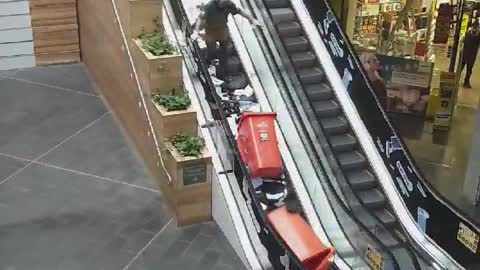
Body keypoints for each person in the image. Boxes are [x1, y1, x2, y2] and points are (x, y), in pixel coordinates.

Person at [192, 0, 260, 76]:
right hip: (211, 30)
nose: (222, 4)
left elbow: (239, 11)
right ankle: (207, 62)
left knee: (225, 49)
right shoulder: (209, 6)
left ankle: (222, 68)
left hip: (222, 29)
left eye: (224, 3)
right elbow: (200, 18)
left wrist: (251, 19)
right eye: (221, 2)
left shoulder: (229, 4)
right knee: (211, 49)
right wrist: (196, 31)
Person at [460, 20, 480, 88]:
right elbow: (461, 41)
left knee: (469, 69)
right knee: (461, 67)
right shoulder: (466, 33)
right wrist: (460, 49)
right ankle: (456, 79)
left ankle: (466, 82)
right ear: (471, 27)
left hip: (473, 55)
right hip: (464, 53)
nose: (474, 29)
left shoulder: (479, 35)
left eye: (476, 27)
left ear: (478, 28)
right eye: (473, 27)